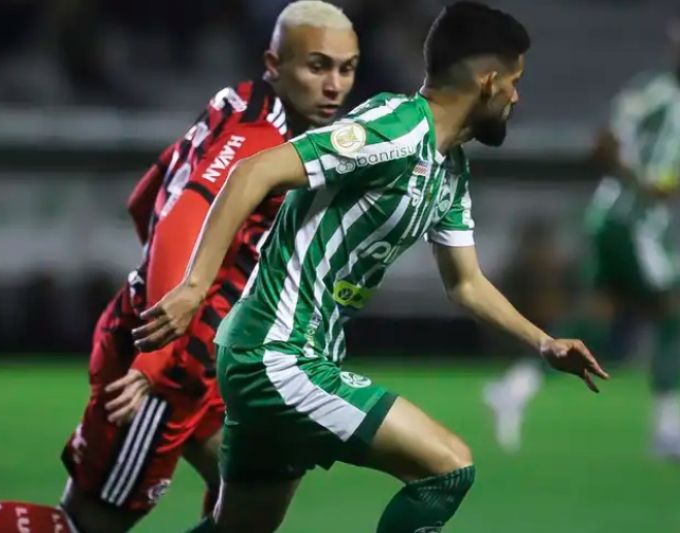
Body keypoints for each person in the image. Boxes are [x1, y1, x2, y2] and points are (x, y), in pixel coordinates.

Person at [0, 2, 360, 532]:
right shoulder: (257, 140)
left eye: (347, 68)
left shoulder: (242, 103)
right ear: (275, 63)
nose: (335, 85)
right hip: (165, 363)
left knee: (251, 492)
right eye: (317, 66)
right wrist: (156, 354)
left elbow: (144, 196)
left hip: (208, 357)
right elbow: (181, 217)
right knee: (87, 525)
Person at [132, 3, 609, 532]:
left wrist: (544, 343)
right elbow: (254, 170)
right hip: (277, 354)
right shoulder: (396, 129)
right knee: (447, 468)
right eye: (515, 82)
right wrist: (195, 286)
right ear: (489, 81)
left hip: (279, 354)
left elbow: (466, 284)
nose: (517, 97)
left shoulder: (448, 167)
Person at [485, 12, 680, 458]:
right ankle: (668, 427)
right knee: (672, 309)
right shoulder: (655, 93)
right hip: (625, 220)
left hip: (633, 222)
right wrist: (645, 183)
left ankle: (515, 388)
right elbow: (605, 142)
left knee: (594, 320)